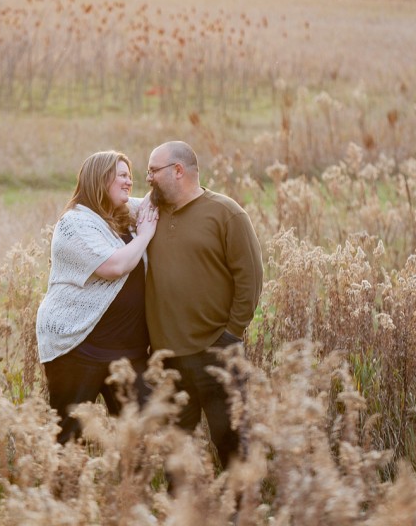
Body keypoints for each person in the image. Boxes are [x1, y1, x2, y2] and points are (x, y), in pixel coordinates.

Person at [144, 139, 263, 469]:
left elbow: (250, 279)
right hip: (167, 358)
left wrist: (229, 335)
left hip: (216, 353)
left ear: (178, 171)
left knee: (231, 442)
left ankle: (243, 514)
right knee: (175, 451)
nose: (148, 178)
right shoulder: (150, 216)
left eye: (153, 171)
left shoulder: (226, 213)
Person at [36, 149, 158, 443]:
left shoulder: (125, 215)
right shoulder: (74, 224)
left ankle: (132, 488)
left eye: (131, 175)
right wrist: (144, 236)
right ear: (100, 180)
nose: (130, 182)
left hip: (128, 351)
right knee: (69, 437)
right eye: (122, 176)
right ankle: (64, 489)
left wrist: (169, 180)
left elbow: (159, 202)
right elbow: (114, 266)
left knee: (142, 434)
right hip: (79, 347)